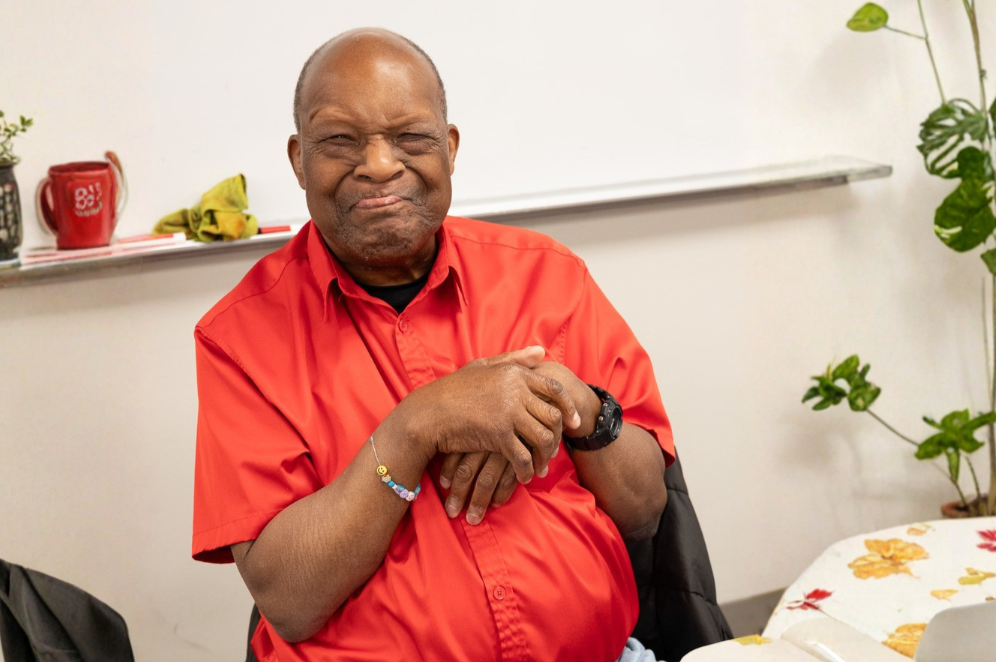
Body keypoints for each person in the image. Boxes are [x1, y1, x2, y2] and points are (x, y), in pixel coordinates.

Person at [192, 28, 673, 662]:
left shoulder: (547, 275)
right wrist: (421, 424)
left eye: (409, 138)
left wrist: (568, 399)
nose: (380, 164)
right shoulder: (241, 337)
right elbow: (289, 599)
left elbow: (645, 509)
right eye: (339, 141)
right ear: (298, 159)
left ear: (448, 149)